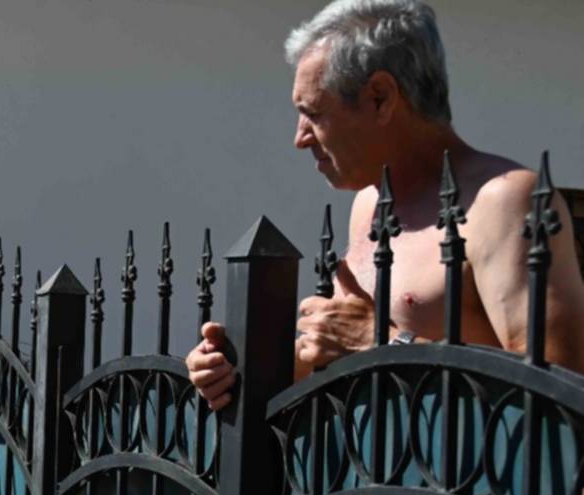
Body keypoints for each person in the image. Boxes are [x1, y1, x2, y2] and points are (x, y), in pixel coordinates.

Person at [186, 0, 584, 407]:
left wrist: (383, 342)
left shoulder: (502, 200)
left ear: (380, 97)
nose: (300, 138)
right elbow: (346, 359)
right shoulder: (369, 203)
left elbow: (560, 390)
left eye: (313, 113)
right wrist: (240, 370)